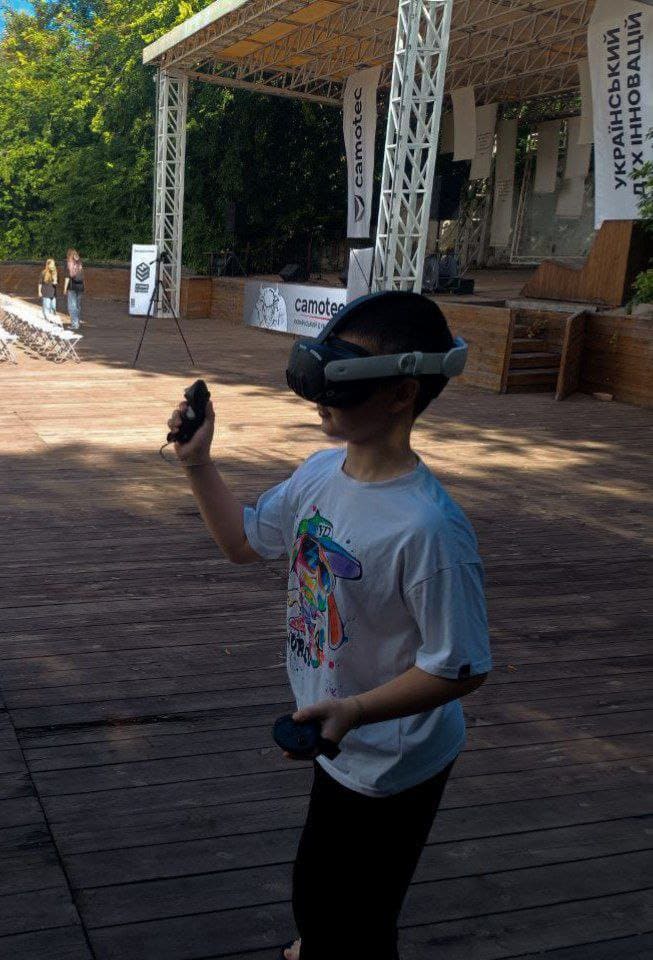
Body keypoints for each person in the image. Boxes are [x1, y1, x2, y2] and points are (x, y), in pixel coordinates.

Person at [167, 292, 492, 960]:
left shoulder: (428, 530)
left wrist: (354, 709)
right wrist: (197, 463)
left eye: (339, 383)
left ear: (401, 392)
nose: (319, 398)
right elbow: (243, 542)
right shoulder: (321, 472)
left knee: (355, 922)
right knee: (321, 899)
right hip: (340, 732)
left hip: (395, 755)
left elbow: (459, 665)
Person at [63, 248, 84, 330]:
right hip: (80, 286)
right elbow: (82, 275)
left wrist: (65, 288)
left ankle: (75, 324)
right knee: (78, 305)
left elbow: (67, 277)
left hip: (72, 286)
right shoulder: (80, 262)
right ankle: (77, 322)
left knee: (72, 306)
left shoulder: (69, 263)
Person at [38, 258, 59, 324]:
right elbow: (40, 283)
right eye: (52, 264)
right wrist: (39, 292)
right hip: (46, 293)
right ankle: (48, 320)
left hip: (53, 293)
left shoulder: (55, 273)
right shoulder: (43, 273)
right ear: (48, 265)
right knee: (47, 306)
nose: (53, 265)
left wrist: (55, 281)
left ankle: (51, 318)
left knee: (53, 307)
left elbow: (57, 282)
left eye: (54, 264)